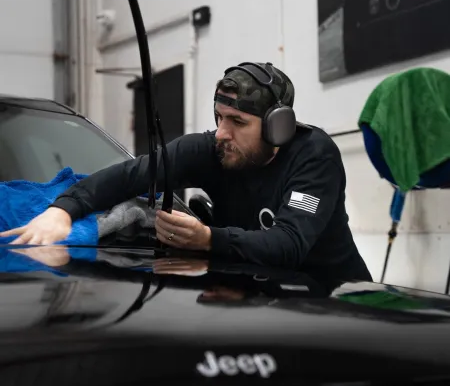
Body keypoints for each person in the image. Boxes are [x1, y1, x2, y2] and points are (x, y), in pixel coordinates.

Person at [0, 62, 372, 282]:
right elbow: (130, 175)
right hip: (254, 301)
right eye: (219, 118)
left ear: (279, 128)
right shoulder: (212, 149)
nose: (222, 132)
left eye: (238, 121)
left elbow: (289, 244)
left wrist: (208, 239)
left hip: (331, 302)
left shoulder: (314, 156)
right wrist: (62, 210)